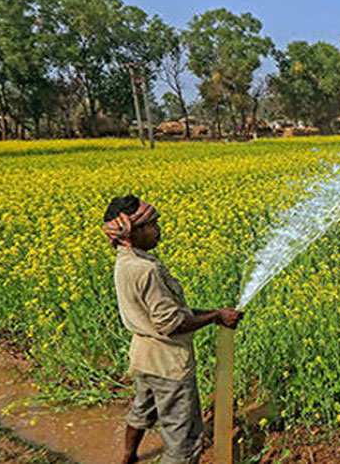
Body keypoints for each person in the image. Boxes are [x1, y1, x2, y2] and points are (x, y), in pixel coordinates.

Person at [103, 194, 243, 464]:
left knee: (142, 412)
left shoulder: (126, 262)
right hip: (168, 365)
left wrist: (214, 315)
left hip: (143, 357)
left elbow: (167, 314)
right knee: (185, 442)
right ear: (133, 231)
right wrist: (216, 316)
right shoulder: (146, 270)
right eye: (152, 224)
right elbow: (171, 324)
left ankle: (127, 458)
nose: (158, 229)